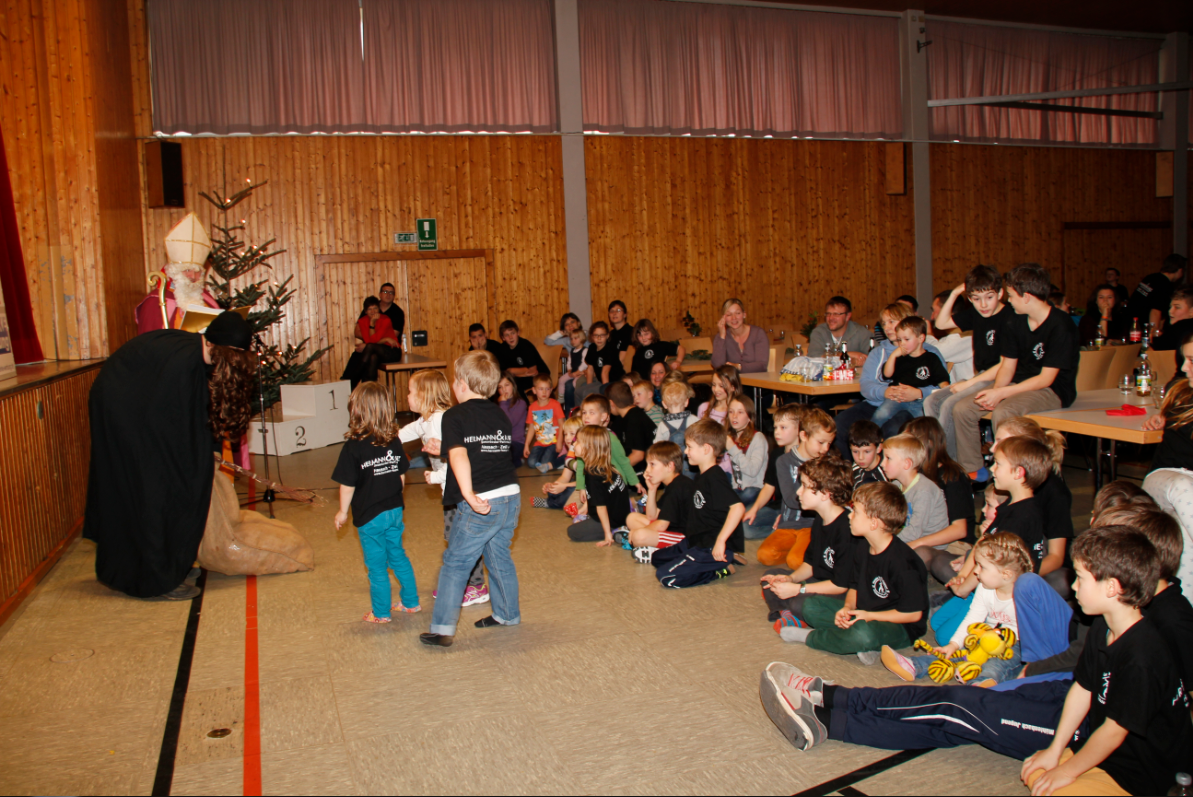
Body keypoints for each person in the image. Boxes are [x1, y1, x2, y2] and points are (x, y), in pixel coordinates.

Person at [84, 311, 257, 600]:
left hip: (146, 410)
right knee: (155, 490)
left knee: (188, 478)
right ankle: (153, 580)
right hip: (122, 414)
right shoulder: (180, 365)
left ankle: (171, 564)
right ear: (217, 347)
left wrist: (210, 453)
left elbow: (201, 415)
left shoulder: (203, 358)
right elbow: (169, 431)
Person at [1022, 527, 1193, 797]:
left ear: (1112, 587)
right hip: (1110, 751)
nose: (1073, 586)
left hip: (1145, 772)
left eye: (1079, 578)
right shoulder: (1102, 626)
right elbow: (1084, 688)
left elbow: (1115, 732)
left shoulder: (1143, 655)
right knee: (1036, 769)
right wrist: (1056, 749)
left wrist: (1067, 771)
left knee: (1054, 788)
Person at [420, 351, 522, 647]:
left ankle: (442, 630)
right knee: (499, 557)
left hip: (481, 501)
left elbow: (462, 454)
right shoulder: (499, 414)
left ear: (462, 383)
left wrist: (467, 493)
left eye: (454, 379)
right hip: (510, 497)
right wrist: (445, 448)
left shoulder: (455, 415)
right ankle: (507, 615)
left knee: (455, 562)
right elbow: (483, 450)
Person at [951, 264, 1080, 478]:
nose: (1008, 301)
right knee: (963, 409)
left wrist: (1001, 394)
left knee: (1004, 412)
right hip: (1017, 384)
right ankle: (974, 471)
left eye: (1010, 295)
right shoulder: (1015, 320)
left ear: (1027, 297)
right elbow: (1008, 365)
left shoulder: (1060, 325)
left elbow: (1046, 379)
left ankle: (1010, 469)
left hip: (1052, 390)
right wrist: (995, 392)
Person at [777, 481, 928, 663]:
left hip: (899, 625)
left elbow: (913, 614)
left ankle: (812, 637)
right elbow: (855, 587)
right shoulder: (862, 546)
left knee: (863, 634)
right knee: (811, 606)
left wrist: (869, 616)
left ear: (873, 523)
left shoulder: (904, 563)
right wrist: (848, 608)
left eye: (855, 511)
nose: (849, 516)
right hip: (864, 613)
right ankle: (863, 644)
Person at [882, 532, 1035, 687]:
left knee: (996, 665)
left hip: (1017, 646)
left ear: (1006, 574)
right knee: (957, 654)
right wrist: (954, 644)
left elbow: (1039, 634)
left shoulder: (1026, 595)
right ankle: (915, 665)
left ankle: (982, 684)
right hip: (985, 637)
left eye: (982, 567)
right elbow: (973, 618)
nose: (976, 571)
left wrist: (1033, 665)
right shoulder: (984, 587)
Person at [404, 371, 491, 608]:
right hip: (450, 492)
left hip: (459, 491)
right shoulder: (426, 421)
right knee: (453, 538)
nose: (407, 397)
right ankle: (460, 583)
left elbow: (457, 457)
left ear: (424, 395)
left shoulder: (440, 422)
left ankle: (476, 587)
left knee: (462, 540)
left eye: (411, 392)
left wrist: (436, 475)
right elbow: (404, 433)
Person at [332, 382, 417, 624]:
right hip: (394, 509)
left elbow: (347, 485)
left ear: (356, 411)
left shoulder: (353, 447)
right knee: (398, 555)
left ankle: (380, 613)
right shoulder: (393, 441)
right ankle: (411, 602)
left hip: (370, 516)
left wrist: (342, 512)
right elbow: (401, 478)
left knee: (377, 566)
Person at [833, 302, 945, 458]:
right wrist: (884, 391)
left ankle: (886, 474)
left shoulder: (929, 352)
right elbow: (865, 386)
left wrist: (919, 393)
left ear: (907, 322)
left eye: (892, 322)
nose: (887, 327)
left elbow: (943, 386)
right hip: (877, 403)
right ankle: (851, 471)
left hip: (911, 405)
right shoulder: (879, 352)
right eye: (884, 323)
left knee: (891, 429)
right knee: (840, 424)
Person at [928, 266, 1014, 461]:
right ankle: (944, 458)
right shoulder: (977, 313)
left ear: (1000, 294)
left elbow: (1005, 365)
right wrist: (956, 292)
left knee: (952, 405)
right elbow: (940, 324)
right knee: (932, 401)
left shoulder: (1010, 318)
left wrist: (969, 383)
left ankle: (956, 463)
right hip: (982, 375)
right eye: (975, 298)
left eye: (989, 297)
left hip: (1002, 377)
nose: (983, 304)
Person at [760, 456, 856, 630]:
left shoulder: (847, 529)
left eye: (804, 486)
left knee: (801, 603)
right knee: (772, 577)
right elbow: (810, 563)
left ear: (826, 493)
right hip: (819, 581)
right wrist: (790, 578)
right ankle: (788, 615)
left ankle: (791, 613)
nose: (798, 492)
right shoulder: (820, 520)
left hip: (840, 592)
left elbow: (840, 586)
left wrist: (799, 589)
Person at [650, 419, 746, 586]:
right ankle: (717, 560)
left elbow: (737, 508)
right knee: (657, 558)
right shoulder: (701, 475)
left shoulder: (715, 477)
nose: (686, 452)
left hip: (709, 545)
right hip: (695, 541)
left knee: (666, 576)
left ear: (706, 449)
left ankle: (720, 569)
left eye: (689, 447)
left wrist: (721, 541)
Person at [992, 418, 1074, 595]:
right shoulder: (1004, 481)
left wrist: (1013, 576)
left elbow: (1056, 557)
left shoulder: (1054, 492)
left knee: (1060, 582)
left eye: (1001, 442)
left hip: (1039, 564)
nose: (992, 448)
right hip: (1007, 561)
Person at [756, 408, 835, 569]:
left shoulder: (826, 463)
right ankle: (804, 551)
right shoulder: (784, 461)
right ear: (804, 436)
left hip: (812, 525)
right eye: (821, 442)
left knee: (796, 561)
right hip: (788, 523)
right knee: (765, 556)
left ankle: (809, 551)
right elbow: (791, 499)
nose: (826, 449)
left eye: (829, 443)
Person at [902, 417, 973, 582]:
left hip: (956, 543)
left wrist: (916, 542)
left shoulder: (951, 476)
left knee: (914, 552)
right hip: (930, 536)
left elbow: (959, 529)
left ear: (929, 443)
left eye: (911, 442)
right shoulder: (918, 476)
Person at [870, 316, 951, 430]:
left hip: (921, 401)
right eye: (899, 340)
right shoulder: (899, 358)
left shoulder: (932, 359)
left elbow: (943, 383)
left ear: (921, 338)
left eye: (906, 339)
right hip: (898, 399)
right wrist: (893, 356)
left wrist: (944, 392)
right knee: (880, 414)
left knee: (926, 426)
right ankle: (872, 439)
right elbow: (887, 374)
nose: (902, 344)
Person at [626, 441, 697, 560]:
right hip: (674, 530)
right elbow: (651, 516)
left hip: (687, 539)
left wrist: (636, 533)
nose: (647, 470)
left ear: (670, 466)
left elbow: (662, 525)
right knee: (632, 518)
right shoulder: (674, 484)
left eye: (652, 464)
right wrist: (652, 490)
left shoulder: (678, 487)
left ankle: (658, 549)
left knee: (639, 536)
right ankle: (654, 546)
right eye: (647, 465)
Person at [879, 434, 949, 548]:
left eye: (888, 458)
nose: (882, 464)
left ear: (907, 463)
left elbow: (915, 531)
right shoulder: (896, 485)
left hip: (930, 547)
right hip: (909, 538)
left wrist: (886, 542)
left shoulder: (924, 491)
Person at [566, 426, 632, 545]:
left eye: (578, 441)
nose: (573, 443)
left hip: (612, 521)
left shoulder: (593, 474)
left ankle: (615, 531)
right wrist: (586, 507)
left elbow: (601, 507)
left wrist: (607, 534)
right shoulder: (605, 464)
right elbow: (601, 494)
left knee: (572, 531)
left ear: (589, 448)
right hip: (623, 514)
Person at [573, 394, 642, 496]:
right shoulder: (582, 439)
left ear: (603, 416)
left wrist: (635, 482)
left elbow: (623, 461)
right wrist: (581, 487)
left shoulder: (610, 438)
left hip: (614, 485)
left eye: (591, 413)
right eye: (584, 412)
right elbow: (580, 464)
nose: (586, 416)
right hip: (595, 484)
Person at [344, 296, 401, 388]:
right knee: (372, 358)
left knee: (369, 349)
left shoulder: (385, 319)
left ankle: (351, 384)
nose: (373, 311)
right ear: (365, 311)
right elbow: (370, 341)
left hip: (391, 351)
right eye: (369, 309)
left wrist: (372, 325)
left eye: (375, 308)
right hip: (374, 351)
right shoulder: (362, 321)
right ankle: (367, 390)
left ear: (379, 309)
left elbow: (372, 342)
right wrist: (384, 338)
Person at [1127, 252, 1186, 335]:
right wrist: (1153, 335)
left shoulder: (1150, 277)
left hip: (1130, 323)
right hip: (1142, 328)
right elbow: (1156, 311)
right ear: (1180, 270)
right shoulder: (1165, 285)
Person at [534, 414, 585, 511]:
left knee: (570, 491)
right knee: (553, 491)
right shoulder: (570, 452)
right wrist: (553, 485)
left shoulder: (585, 454)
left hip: (586, 487)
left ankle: (550, 503)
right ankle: (553, 500)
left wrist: (564, 486)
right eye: (565, 434)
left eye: (572, 433)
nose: (567, 438)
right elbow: (565, 477)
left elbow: (587, 482)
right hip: (576, 484)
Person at [725, 396, 768, 507]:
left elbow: (752, 470)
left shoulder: (758, 438)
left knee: (742, 498)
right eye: (731, 412)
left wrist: (732, 449)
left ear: (749, 417)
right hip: (738, 489)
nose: (734, 416)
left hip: (755, 489)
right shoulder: (732, 437)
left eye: (740, 412)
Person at [606, 381, 655, 475]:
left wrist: (613, 472)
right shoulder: (621, 419)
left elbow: (638, 455)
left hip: (645, 475)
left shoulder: (634, 418)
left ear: (611, 403)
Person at [653, 381, 699, 477]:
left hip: (671, 468)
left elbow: (657, 447)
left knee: (672, 488)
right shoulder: (694, 420)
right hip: (692, 465)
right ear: (687, 402)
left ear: (664, 404)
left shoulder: (662, 425)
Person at [712, 298, 769, 373]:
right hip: (732, 383)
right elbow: (717, 365)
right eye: (729, 314)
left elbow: (762, 365)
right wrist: (722, 336)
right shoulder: (721, 337)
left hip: (756, 382)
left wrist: (738, 367)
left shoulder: (758, 333)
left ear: (744, 314)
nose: (734, 318)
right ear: (724, 318)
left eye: (738, 313)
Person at [808, 296, 869, 366]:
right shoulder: (819, 332)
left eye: (836, 314)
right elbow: (813, 356)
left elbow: (877, 356)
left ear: (848, 316)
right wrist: (847, 355)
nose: (831, 318)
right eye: (828, 314)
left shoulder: (861, 333)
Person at [523, 373, 566, 474]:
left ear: (551, 390)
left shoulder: (555, 405)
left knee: (544, 462)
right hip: (540, 443)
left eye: (547, 389)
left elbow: (562, 425)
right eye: (541, 389)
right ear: (534, 390)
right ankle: (551, 458)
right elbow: (532, 428)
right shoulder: (532, 407)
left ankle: (560, 458)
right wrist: (527, 445)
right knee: (532, 463)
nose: (544, 392)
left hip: (553, 442)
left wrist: (559, 442)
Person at [494, 320, 548, 396]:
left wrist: (513, 371)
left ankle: (524, 406)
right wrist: (521, 372)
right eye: (507, 335)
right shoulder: (502, 349)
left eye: (513, 333)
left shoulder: (525, 346)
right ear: (503, 338)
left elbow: (533, 371)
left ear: (518, 333)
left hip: (540, 375)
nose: (510, 337)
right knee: (500, 385)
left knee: (515, 385)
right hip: (522, 377)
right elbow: (504, 372)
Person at [576, 321, 625, 401]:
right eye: (596, 335)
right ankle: (579, 412)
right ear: (592, 336)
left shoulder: (610, 349)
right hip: (601, 381)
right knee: (579, 392)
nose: (599, 338)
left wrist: (606, 394)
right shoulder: (592, 348)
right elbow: (590, 370)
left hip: (614, 382)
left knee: (586, 393)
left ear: (607, 335)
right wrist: (590, 386)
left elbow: (605, 372)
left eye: (602, 335)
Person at [1150, 286, 1193, 370]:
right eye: (1170, 307)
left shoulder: (1180, 327)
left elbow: (1151, 353)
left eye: (1177, 307)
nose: (1170, 311)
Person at [494, 372, 528, 468]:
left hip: (516, 443)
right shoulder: (498, 404)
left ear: (513, 386)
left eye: (507, 385)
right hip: (501, 442)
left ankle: (516, 461)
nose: (504, 389)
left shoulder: (521, 403)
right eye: (500, 387)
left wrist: (503, 403)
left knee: (505, 457)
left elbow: (509, 423)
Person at [848, 420, 888, 488]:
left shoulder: (886, 474)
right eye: (855, 451)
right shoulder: (855, 468)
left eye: (867, 451)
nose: (860, 457)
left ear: (878, 448)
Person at [559, 326, 589, 413]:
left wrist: (578, 371)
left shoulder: (585, 350)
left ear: (582, 338)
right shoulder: (572, 351)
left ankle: (577, 399)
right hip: (572, 372)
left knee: (574, 383)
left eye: (575, 338)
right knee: (561, 380)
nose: (573, 340)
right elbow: (569, 361)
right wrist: (569, 369)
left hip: (580, 373)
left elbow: (585, 363)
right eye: (571, 339)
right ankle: (561, 398)